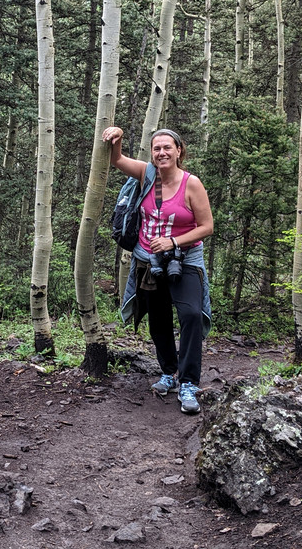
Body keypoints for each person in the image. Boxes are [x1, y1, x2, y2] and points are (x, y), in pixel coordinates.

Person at [102, 126, 213, 414]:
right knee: (158, 319)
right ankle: (169, 373)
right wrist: (117, 138)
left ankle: (189, 382)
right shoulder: (146, 175)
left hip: (184, 258)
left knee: (190, 315)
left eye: (167, 148)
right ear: (152, 153)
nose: (162, 152)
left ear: (179, 151)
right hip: (148, 261)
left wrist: (173, 240)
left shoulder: (192, 184)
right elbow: (117, 160)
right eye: (157, 148)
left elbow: (207, 227)